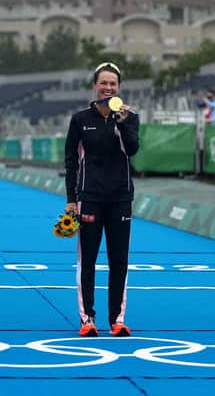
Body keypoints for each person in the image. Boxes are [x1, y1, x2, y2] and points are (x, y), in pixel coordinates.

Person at [64, 62, 140, 337]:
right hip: (90, 199)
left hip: (121, 198)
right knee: (88, 261)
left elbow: (132, 149)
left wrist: (122, 123)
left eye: (113, 84)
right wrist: (71, 199)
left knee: (119, 261)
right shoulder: (80, 119)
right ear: (95, 86)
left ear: (119, 88)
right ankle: (88, 319)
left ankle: (117, 319)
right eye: (103, 83)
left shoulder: (129, 117)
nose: (108, 88)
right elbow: (71, 161)